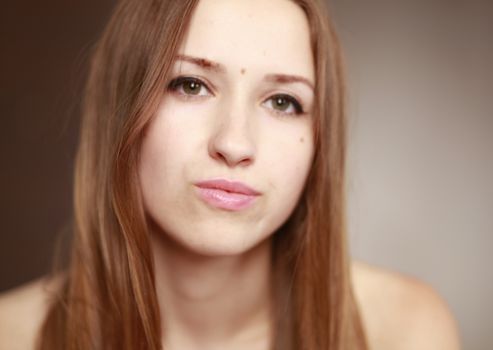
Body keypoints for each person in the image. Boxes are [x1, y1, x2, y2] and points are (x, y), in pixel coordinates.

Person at [0, 0, 461, 349]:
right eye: (190, 85)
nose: (235, 144)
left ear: (320, 142)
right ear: (122, 109)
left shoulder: (404, 329)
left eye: (283, 101)